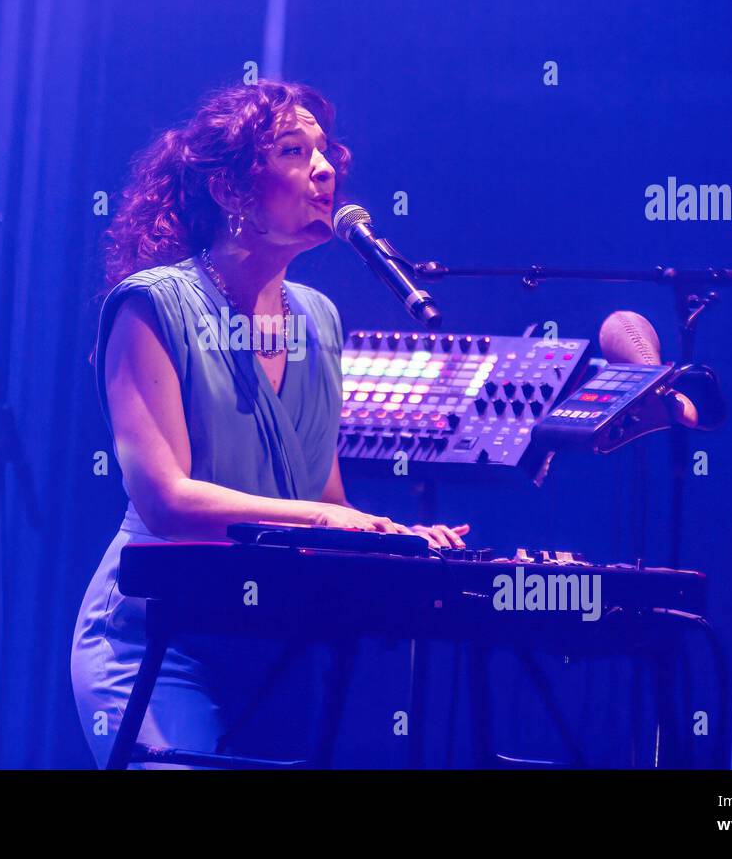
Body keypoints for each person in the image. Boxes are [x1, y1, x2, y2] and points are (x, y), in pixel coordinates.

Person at [70, 80, 469, 768]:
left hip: (271, 635)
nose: (325, 169)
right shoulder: (152, 306)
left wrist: (393, 536)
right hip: (153, 633)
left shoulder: (318, 318)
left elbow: (325, 503)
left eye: (325, 152)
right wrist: (326, 523)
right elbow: (165, 502)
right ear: (229, 190)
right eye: (294, 150)